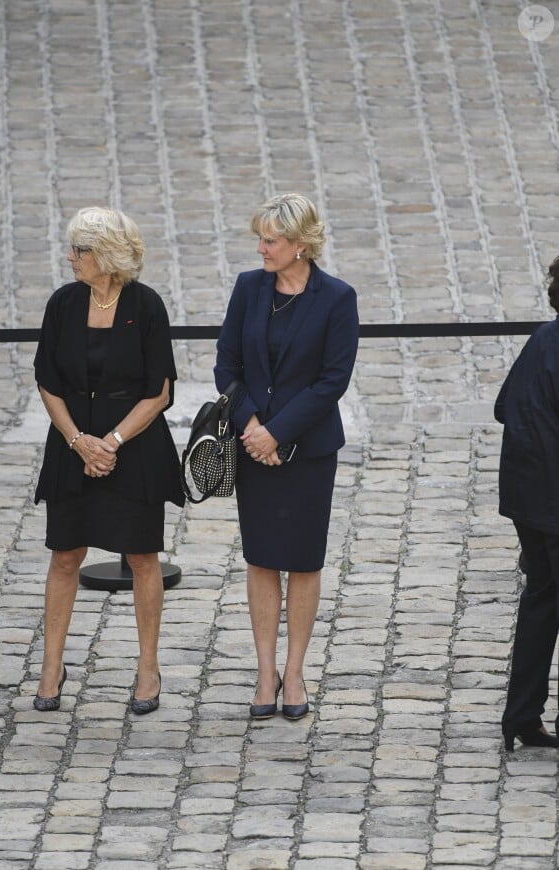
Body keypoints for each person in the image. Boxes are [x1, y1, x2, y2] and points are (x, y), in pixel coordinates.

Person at [33, 206, 184, 715]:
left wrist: (111, 441)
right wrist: (80, 441)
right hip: (71, 446)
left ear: (108, 256)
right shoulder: (63, 303)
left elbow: (159, 391)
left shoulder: (146, 305)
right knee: (64, 556)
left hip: (134, 449)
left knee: (142, 558)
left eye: (80, 250)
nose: (71, 258)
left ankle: (147, 668)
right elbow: (47, 382)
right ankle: (52, 666)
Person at [214, 193, 359, 720]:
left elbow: (331, 381)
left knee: (301, 559)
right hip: (252, 444)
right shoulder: (249, 288)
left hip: (309, 452)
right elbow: (226, 362)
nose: (261, 248)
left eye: (270, 240)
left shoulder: (337, 298)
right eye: (261, 238)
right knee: (260, 557)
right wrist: (252, 426)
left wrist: (278, 432)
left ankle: (295, 672)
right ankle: (264, 672)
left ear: (301, 245)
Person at [495, 255, 559, 751]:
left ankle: (522, 715)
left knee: (542, 600)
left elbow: (503, 405)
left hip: (527, 499)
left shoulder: (543, 339)